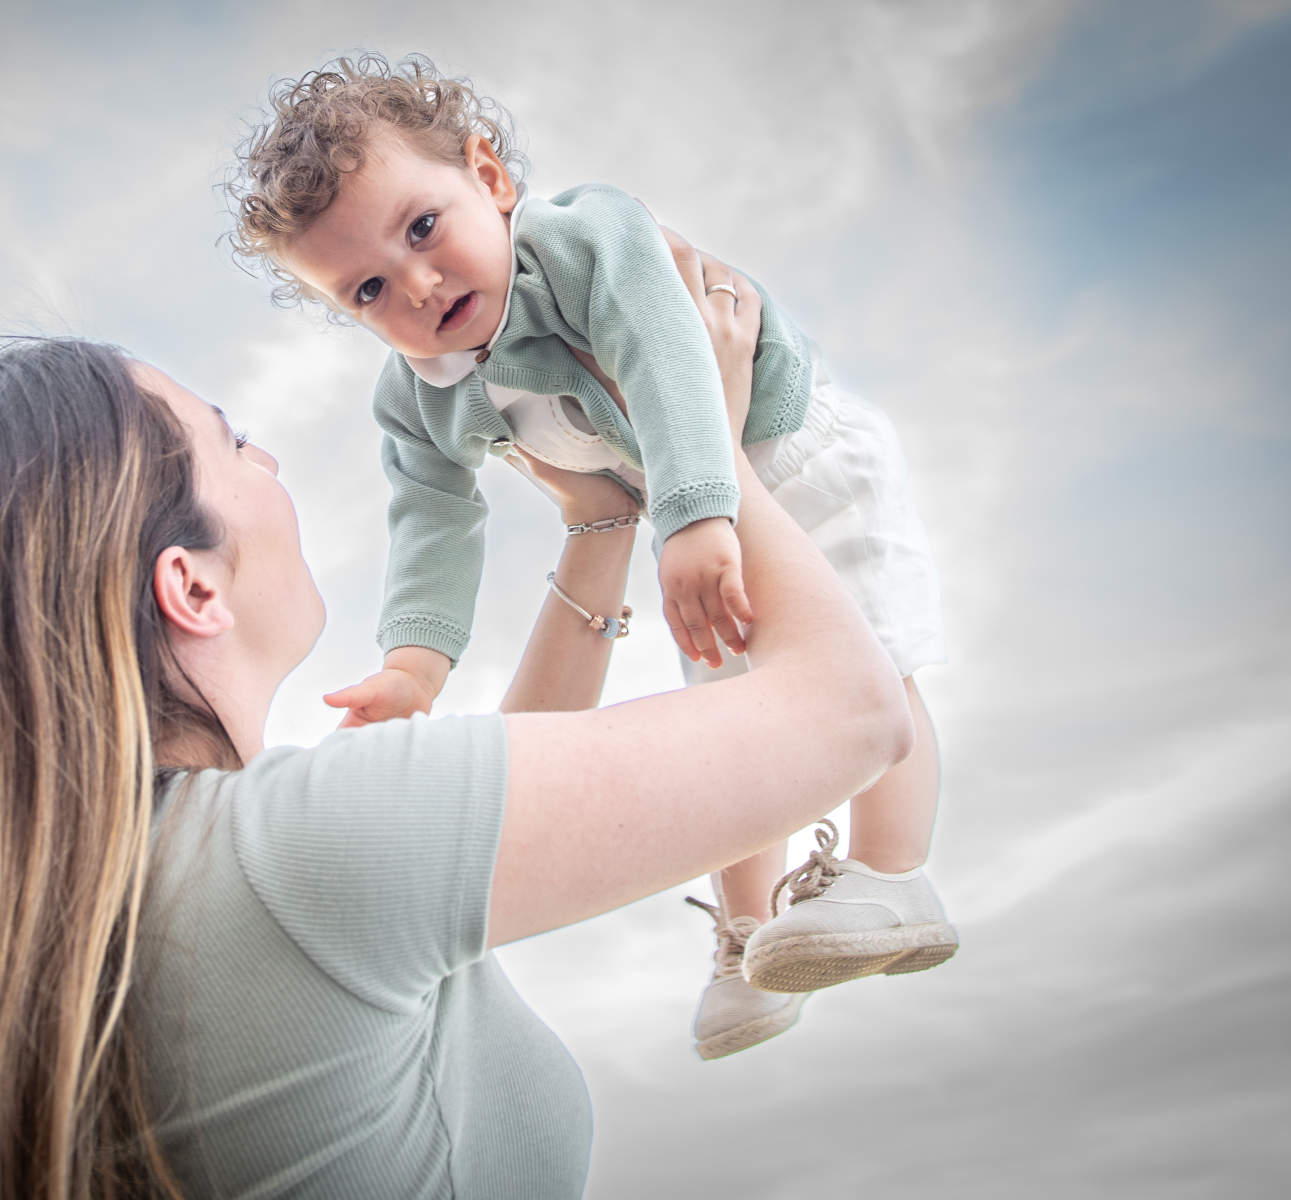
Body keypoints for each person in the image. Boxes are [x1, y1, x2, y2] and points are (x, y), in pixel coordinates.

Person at [0, 238, 911, 1198]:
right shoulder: (295, 862)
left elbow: (495, 793)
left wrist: (601, 523)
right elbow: (852, 714)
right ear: (190, 587)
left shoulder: (88, 921)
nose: (267, 462)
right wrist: (698, 432)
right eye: (232, 443)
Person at [226, 53, 957, 1057]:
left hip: (786, 457)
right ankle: (749, 938)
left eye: (423, 228)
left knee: (869, 647)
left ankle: (893, 873)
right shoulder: (419, 395)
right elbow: (431, 517)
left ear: (489, 177)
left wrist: (694, 514)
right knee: (733, 710)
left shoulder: (582, 241)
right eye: (368, 288)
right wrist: (414, 666)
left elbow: (664, 349)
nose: (419, 285)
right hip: (680, 512)